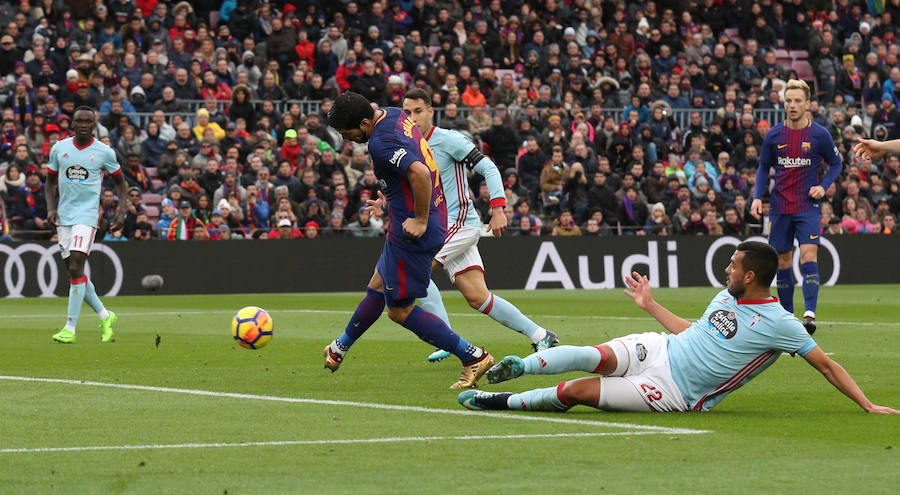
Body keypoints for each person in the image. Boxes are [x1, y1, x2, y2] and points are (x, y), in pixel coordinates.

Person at [458, 242, 898, 415]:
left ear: (751, 277)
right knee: (595, 355)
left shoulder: (781, 323)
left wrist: (868, 405)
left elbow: (825, 365)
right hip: (663, 348)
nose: (727, 269)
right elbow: (696, 332)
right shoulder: (727, 296)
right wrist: (651, 306)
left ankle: (503, 400)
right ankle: (525, 366)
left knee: (577, 390)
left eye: (734, 266)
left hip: (677, 393)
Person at [323, 91, 494, 389]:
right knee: (378, 284)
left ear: (364, 123)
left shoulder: (379, 143)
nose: (346, 138)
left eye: (346, 132)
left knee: (400, 310)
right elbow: (415, 155)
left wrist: (420, 218)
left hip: (413, 233)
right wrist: (392, 196)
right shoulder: (391, 113)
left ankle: (473, 356)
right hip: (418, 218)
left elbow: (420, 172)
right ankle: (339, 348)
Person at [398, 89, 558, 362]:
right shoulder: (408, 146)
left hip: (460, 223)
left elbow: (489, 168)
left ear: (430, 112)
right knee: (478, 297)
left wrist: (498, 209)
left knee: (413, 269)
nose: (412, 118)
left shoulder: (449, 140)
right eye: (407, 113)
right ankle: (540, 335)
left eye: (417, 112)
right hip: (440, 227)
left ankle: (445, 338)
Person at [750, 80, 843, 334]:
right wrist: (758, 196)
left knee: (809, 256)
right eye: (788, 100)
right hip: (780, 207)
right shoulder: (773, 135)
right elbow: (762, 167)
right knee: (782, 261)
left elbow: (837, 164)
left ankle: (810, 314)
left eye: (797, 100)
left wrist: (823, 186)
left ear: (807, 103)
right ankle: (789, 317)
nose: (792, 105)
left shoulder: (820, 135)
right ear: (784, 102)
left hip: (807, 207)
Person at [45, 106, 125, 344]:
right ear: (72, 123)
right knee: (75, 272)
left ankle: (70, 327)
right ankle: (105, 315)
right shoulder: (59, 148)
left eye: (87, 122)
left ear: (93, 125)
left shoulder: (104, 152)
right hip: (64, 216)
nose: (82, 125)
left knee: (75, 267)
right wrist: (50, 208)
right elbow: (49, 182)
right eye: (78, 121)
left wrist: (121, 212)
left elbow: (121, 183)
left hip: (88, 215)